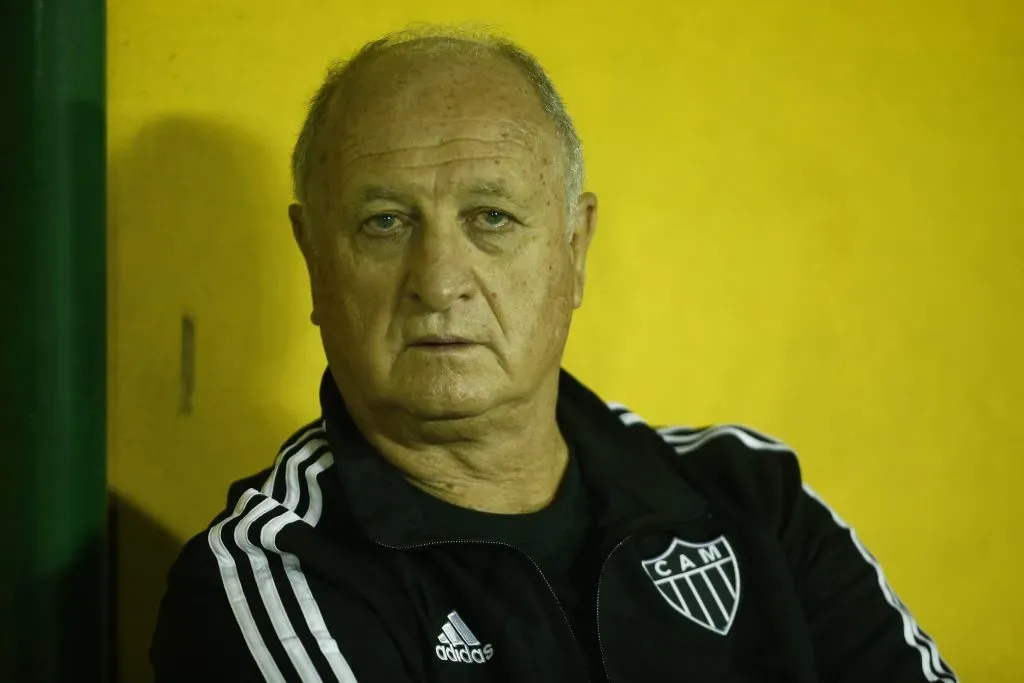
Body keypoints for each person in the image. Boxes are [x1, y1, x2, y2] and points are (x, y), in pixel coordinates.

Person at [151, 26, 957, 683]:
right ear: (314, 261)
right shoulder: (272, 580)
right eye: (385, 222)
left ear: (575, 249)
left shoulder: (752, 494)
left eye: (492, 217)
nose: (438, 281)